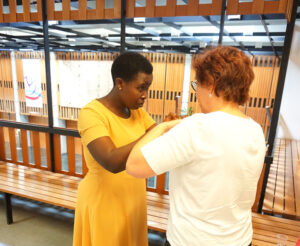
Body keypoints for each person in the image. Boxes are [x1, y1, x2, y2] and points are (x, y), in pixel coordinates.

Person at [126, 46, 266, 246]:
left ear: (210, 85)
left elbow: (134, 165)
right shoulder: (255, 130)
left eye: (197, 84)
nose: (197, 93)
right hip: (240, 239)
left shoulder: (198, 126)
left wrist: (163, 127)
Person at [73, 52, 156, 246]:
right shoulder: (92, 113)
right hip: (104, 201)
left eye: (148, 88)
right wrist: (154, 133)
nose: (145, 95)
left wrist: (170, 127)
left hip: (133, 199)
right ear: (120, 83)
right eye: (141, 88)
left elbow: (160, 138)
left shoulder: (138, 113)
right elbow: (111, 160)